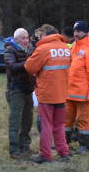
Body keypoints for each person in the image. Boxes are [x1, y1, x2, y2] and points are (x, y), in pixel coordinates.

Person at [25, 24, 71, 163]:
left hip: (47, 93)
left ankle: (45, 154)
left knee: (46, 125)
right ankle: (64, 152)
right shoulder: (65, 48)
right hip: (62, 92)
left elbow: (29, 67)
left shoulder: (43, 49)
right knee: (59, 125)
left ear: (45, 34)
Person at [65, 21, 89, 153]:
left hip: (84, 94)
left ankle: (84, 145)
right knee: (66, 119)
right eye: (75, 31)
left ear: (85, 32)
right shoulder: (73, 46)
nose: (76, 33)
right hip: (69, 92)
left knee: (84, 120)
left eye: (79, 31)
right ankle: (64, 142)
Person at [3, 27, 34, 159]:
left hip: (28, 88)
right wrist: (28, 63)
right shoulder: (10, 50)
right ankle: (14, 149)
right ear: (16, 39)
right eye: (23, 38)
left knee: (28, 118)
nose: (26, 40)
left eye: (27, 37)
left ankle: (25, 145)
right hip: (16, 88)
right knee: (16, 119)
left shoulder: (32, 49)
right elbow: (12, 66)